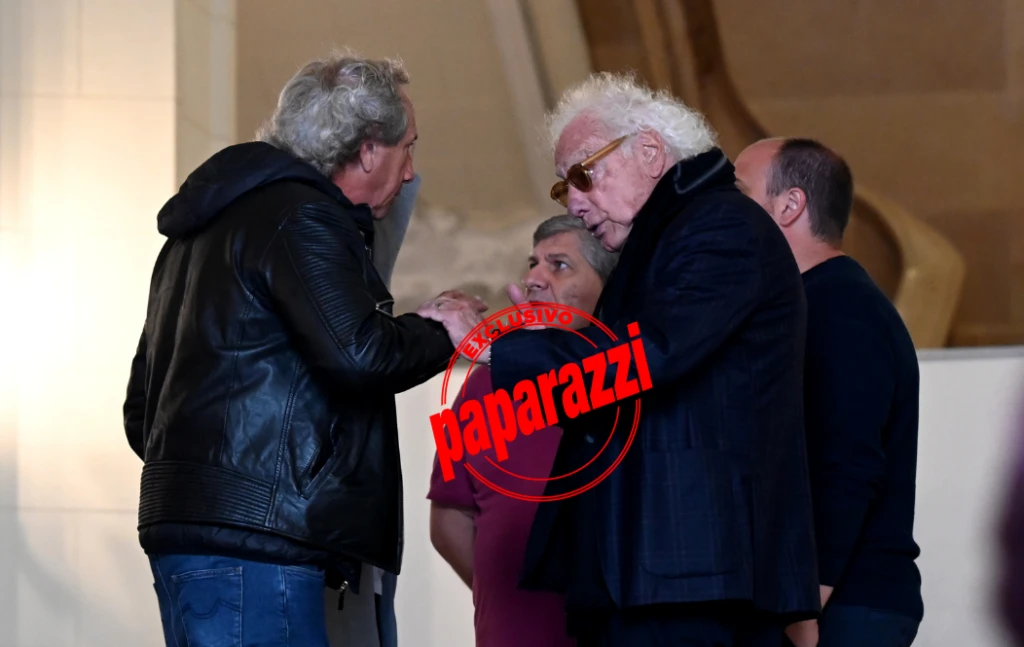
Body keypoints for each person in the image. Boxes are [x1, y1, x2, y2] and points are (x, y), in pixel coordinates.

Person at [420, 72, 820, 647]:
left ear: (650, 152)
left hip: (691, 577)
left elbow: (648, 356)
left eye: (584, 175)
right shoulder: (664, 237)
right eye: (564, 187)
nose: (574, 202)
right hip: (660, 576)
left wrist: (493, 342)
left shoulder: (719, 225)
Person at [122, 50, 485, 647]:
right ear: (367, 149)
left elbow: (143, 413)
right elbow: (360, 355)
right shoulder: (303, 215)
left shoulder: (198, 233)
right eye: (408, 148)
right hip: (261, 541)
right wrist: (442, 330)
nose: (410, 172)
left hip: (190, 532)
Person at [734, 137, 924, 647]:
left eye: (739, 193)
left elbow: (846, 463)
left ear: (789, 205)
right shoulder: (813, 302)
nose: (724, 213)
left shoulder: (838, 306)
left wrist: (803, 609)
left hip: (843, 607)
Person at [427, 215, 618, 647]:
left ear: (607, 287)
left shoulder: (629, 387)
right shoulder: (480, 385)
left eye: (559, 265)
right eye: (532, 264)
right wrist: (508, 600)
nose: (533, 278)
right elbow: (448, 520)